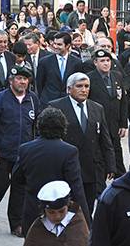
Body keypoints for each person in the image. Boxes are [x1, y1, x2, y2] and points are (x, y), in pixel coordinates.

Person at [11, 107, 90, 235]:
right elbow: (77, 188)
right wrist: (86, 221)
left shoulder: (25, 149)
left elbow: (17, 179)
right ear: (63, 127)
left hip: (33, 212)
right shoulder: (69, 151)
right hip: (61, 214)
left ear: (39, 126)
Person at [0, 64, 39, 237]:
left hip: (24, 156)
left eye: (25, 79)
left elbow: (37, 127)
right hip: (2, 154)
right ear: (11, 80)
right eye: (19, 79)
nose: (22, 82)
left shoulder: (33, 100)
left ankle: (17, 224)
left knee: (20, 191)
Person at [49, 72, 116, 215]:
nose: (84, 90)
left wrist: (111, 164)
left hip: (91, 167)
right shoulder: (56, 107)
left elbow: (105, 139)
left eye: (87, 86)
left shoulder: (97, 108)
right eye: (79, 86)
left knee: (88, 206)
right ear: (69, 89)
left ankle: (85, 233)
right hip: (66, 167)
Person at [87, 49, 128, 177]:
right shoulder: (90, 78)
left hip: (114, 122)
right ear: (95, 62)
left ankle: (120, 179)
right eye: (102, 61)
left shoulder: (117, 76)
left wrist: (123, 123)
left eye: (108, 60)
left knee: (116, 153)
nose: (106, 63)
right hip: (98, 123)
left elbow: (123, 101)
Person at [24, 180, 89, 246]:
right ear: (44, 210)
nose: (57, 216)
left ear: (68, 205)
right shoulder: (37, 229)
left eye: (62, 211)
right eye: (51, 212)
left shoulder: (77, 223)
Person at [35, 32, 82, 106]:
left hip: (68, 104)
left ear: (67, 46)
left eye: (59, 44)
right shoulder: (44, 62)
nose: (55, 46)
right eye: (55, 44)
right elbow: (39, 84)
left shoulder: (77, 62)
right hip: (48, 103)